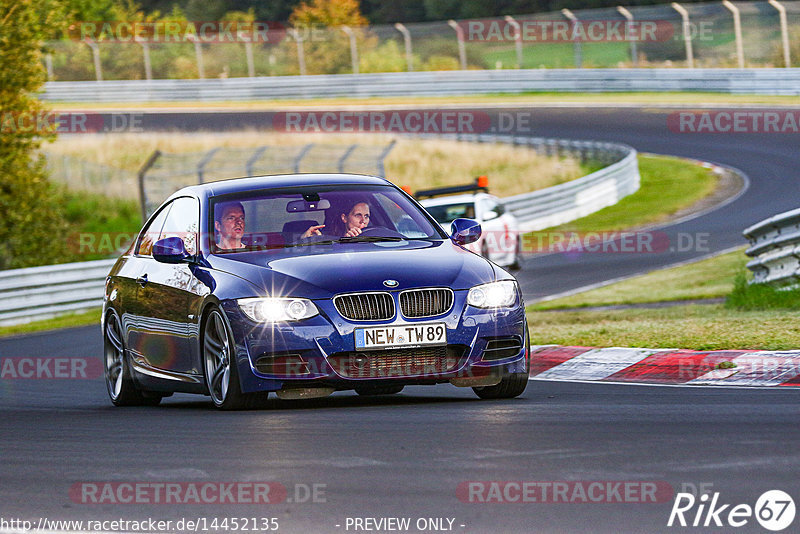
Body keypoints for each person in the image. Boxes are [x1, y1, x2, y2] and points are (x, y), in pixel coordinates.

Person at [301, 200, 370, 239]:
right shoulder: (330, 241)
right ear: (344, 218)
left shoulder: (378, 238)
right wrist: (304, 240)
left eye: (366, 216)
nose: (363, 221)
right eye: (358, 215)